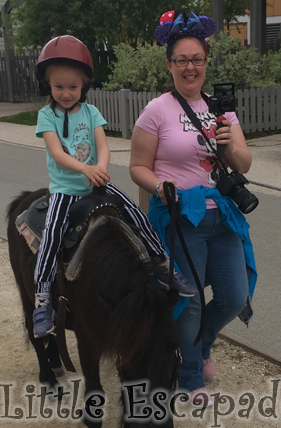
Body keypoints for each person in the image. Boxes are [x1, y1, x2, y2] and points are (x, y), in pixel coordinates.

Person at [129, 10, 257, 407]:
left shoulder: (222, 110)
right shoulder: (157, 111)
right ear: (169, 65)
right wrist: (159, 188)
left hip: (223, 217)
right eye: (181, 60)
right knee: (188, 302)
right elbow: (137, 167)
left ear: (206, 63)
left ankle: (201, 346)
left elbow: (244, 164)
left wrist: (228, 140)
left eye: (197, 59)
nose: (190, 67)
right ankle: (188, 374)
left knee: (234, 297)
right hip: (181, 217)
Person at [32, 35, 196, 338]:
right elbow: (57, 153)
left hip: (96, 180)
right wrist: (86, 169)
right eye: (58, 87)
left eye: (73, 87)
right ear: (47, 86)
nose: (66, 93)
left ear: (83, 86)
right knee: (52, 233)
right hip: (65, 189)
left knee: (134, 213)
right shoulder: (46, 115)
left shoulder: (91, 112)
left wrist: (101, 168)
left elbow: (103, 146)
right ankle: (42, 296)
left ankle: (164, 265)